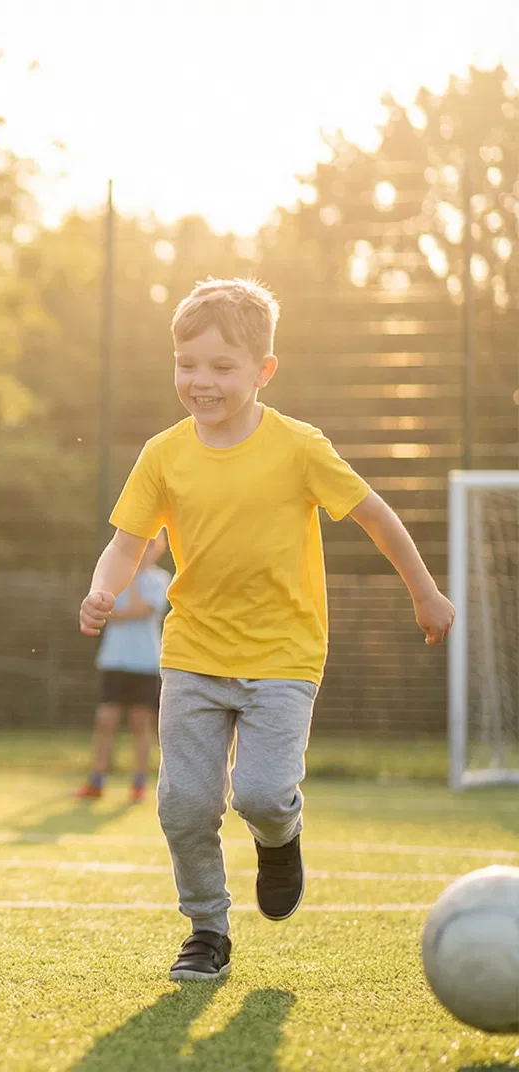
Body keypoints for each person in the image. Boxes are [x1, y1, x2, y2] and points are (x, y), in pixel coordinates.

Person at [81, 277, 453, 983]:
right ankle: (207, 930)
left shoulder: (299, 446)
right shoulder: (163, 454)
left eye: (222, 366)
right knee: (185, 804)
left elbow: (376, 516)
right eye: (187, 363)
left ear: (263, 371)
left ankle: (280, 838)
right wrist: (104, 588)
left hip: (286, 653)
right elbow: (128, 543)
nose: (202, 381)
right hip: (193, 651)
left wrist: (425, 592)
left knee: (259, 794)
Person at [76, 530, 170, 804]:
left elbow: (140, 610)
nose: (145, 550)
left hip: (145, 662)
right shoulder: (115, 577)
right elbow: (108, 614)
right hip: (114, 660)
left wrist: (136, 576)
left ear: (159, 548)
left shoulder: (160, 580)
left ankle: (138, 784)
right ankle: (96, 781)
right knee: (105, 720)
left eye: (151, 545)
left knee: (141, 723)